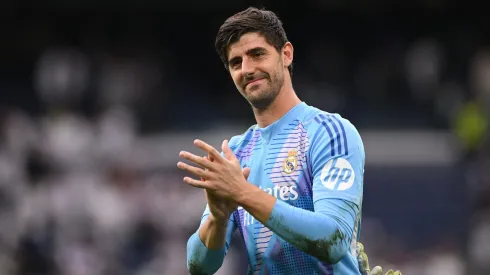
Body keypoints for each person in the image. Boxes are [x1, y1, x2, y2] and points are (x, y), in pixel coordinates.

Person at [178, 7, 400, 275]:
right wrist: (218, 216)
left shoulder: (329, 132)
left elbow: (335, 239)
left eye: (257, 54)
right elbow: (200, 265)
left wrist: (243, 193)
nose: (247, 69)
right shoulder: (235, 153)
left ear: (286, 54)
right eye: (236, 63)